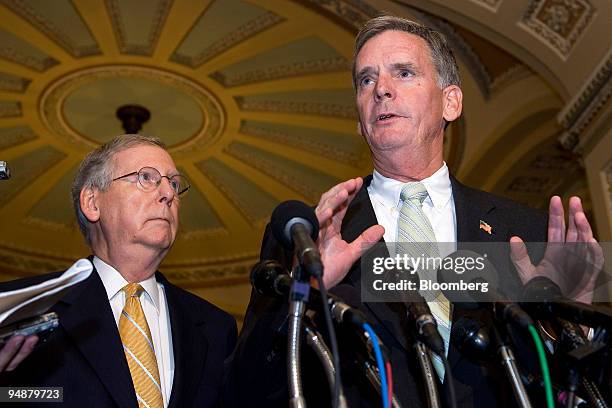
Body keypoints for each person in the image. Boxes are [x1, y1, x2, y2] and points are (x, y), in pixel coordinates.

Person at [229, 15, 603, 407]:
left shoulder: (525, 231)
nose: (381, 91)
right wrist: (305, 292)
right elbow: (244, 388)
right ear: (359, 119)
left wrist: (572, 321)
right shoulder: (307, 236)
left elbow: (578, 389)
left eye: (403, 73)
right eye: (366, 80)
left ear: (451, 102)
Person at [0, 134, 237, 407]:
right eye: (146, 178)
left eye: (173, 182)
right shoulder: (19, 311)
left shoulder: (217, 328)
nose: (169, 193)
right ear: (92, 202)